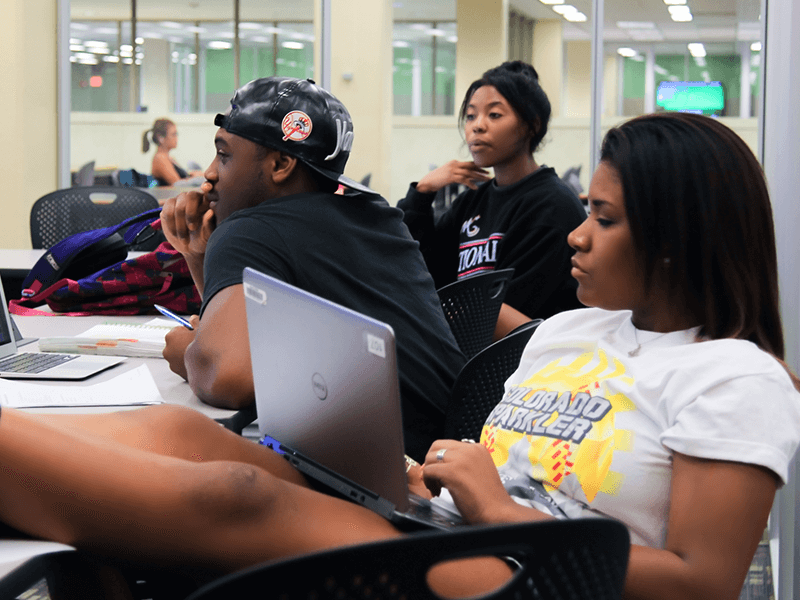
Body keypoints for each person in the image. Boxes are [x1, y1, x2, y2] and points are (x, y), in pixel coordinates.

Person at [0, 111, 796, 600]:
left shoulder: (735, 376)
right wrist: (431, 474)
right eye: (585, 210)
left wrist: (493, 509)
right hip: (454, 527)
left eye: (605, 217)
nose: (577, 235)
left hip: (531, 571)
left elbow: (702, 584)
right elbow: (509, 462)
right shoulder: (568, 333)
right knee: (186, 437)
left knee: (242, 492)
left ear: (676, 237)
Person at [159, 77, 465, 461]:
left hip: (385, 479)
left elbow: (229, 377)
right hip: (449, 453)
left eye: (224, 155)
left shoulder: (248, 230)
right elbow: (242, 326)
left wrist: (188, 353)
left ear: (281, 164)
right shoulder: (378, 216)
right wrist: (197, 256)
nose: (209, 173)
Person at [398, 61, 587, 340]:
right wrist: (422, 193)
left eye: (495, 115)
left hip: (520, 364)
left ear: (531, 126)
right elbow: (421, 271)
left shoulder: (551, 206)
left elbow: (510, 315)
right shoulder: (473, 199)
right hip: (464, 344)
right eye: (471, 116)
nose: (478, 127)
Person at [142, 118, 204, 186]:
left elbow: (183, 177)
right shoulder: (160, 158)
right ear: (160, 138)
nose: (176, 138)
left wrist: (196, 174)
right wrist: (198, 179)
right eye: (173, 134)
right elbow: (177, 184)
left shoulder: (169, 158)